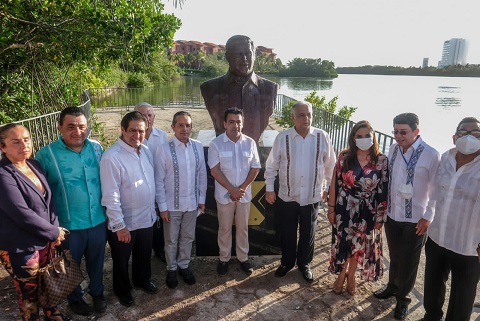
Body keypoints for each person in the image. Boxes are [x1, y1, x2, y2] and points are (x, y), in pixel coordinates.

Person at [35, 107, 107, 316]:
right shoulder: (46, 154)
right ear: (60, 128)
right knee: (69, 265)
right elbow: (40, 193)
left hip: (97, 220)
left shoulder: (96, 148)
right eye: (71, 127)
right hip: (68, 225)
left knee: (96, 261)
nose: (77, 131)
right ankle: (75, 298)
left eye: (82, 126)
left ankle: (97, 293)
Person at [373, 113, 440, 320]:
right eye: (395, 131)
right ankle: (392, 287)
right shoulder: (393, 149)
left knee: (410, 262)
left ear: (416, 132)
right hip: (394, 214)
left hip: (416, 219)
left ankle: (403, 300)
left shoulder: (431, 154)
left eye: (403, 132)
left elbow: (437, 189)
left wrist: (428, 216)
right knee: (395, 257)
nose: (398, 136)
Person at [0, 124, 70, 321]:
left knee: (48, 281)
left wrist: (55, 229)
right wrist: (53, 233)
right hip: (22, 246)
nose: (24, 145)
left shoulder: (34, 165)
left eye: (27, 139)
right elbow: (21, 213)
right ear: (2, 147)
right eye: (16, 142)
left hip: (45, 239)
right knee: (29, 293)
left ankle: (53, 314)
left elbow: (50, 201)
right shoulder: (3, 174)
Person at [264, 101, 336, 283]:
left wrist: (327, 189)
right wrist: (270, 189)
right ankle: (287, 262)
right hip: (288, 195)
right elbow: (271, 166)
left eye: (309, 114)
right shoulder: (283, 137)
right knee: (287, 231)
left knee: (308, 232)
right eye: (302, 115)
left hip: (312, 195)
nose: (307, 118)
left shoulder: (322, 137)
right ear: (293, 117)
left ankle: (304, 263)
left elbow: (330, 167)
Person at [419, 117, 480, 321]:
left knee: (462, 297)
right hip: (438, 236)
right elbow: (435, 192)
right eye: (463, 133)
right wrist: (427, 216)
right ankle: (431, 316)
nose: (469, 137)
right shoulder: (446, 157)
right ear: (455, 137)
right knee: (433, 283)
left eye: (475, 133)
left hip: (469, 245)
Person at [100, 111, 158, 307]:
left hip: (146, 217)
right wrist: (119, 225)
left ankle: (142, 280)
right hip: (125, 221)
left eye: (141, 130)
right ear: (122, 130)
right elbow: (110, 196)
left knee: (143, 253)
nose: (137, 135)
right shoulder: (112, 157)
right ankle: (122, 290)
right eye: (132, 130)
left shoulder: (146, 150)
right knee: (121, 259)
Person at [327, 120, 389, 295]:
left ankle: (351, 276)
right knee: (344, 243)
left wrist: (380, 217)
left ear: (374, 137)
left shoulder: (381, 160)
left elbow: (383, 190)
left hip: (367, 210)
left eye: (367, 136)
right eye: (359, 136)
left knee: (358, 245)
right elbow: (334, 184)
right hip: (344, 208)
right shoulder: (344, 157)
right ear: (353, 138)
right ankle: (341, 275)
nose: (363, 139)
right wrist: (331, 209)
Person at [155, 111, 207, 289]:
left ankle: (184, 266)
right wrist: (162, 207)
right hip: (171, 205)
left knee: (187, 237)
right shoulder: (163, 149)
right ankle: (171, 268)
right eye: (181, 125)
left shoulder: (198, 146)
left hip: (191, 203)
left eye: (188, 125)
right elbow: (159, 180)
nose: (185, 129)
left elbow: (202, 174)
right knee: (170, 239)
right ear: (173, 127)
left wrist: (201, 198)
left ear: (191, 127)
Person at [208, 108, 261, 276]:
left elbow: (255, 168)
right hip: (225, 196)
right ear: (224, 124)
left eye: (238, 121)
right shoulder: (216, 144)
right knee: (224, 228)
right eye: (231, 121)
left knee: (242, 228)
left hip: (244, 196)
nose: (235, 125)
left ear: (242, 123)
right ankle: (224, 259)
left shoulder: (250, 143)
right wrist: (232, 189)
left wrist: (242, 188)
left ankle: (243, 258)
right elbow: (215, 170)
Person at [200, 35, 278, 143]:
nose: (244, 59)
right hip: (224, 148)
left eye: (248, 54)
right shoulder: (210, 88)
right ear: (227, 57)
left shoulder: (269, 88)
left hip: (254, 150)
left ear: (254, 55)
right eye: (238, 54)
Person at [134, 102, 168, 263]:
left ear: (154, 117)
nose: (147, 119)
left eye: (149, 115)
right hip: (140, 185)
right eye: (143, 115)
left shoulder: (162, 136)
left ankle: (159, 248)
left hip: (159, 183)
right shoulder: (131, 138)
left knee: (160, 217)